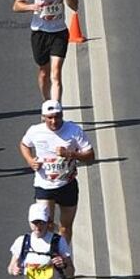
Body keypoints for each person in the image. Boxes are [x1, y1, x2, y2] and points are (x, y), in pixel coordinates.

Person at [19, 102, 93, 242]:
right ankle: (49, 259)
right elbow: (24, 145)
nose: (54, 121)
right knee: (46, 225)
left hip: (67, 184)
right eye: (50, 118)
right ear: (43, 117)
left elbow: (90, 156)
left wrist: (70, 154)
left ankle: (63, 256)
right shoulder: (35, 131)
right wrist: (30, 160)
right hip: (44, 186)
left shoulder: (74, 130)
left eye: (58, 117)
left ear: (62, 115)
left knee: (65, 227)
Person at [13, 0, 79, 104]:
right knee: (44, 72)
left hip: (59, 32)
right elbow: (16, 5)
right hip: (40, 32)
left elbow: (75, 6)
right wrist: (32, 7)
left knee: (56, 73)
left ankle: (56, 108)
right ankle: (46, 102)